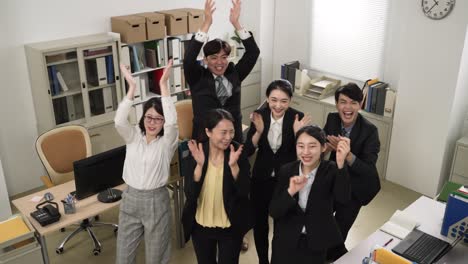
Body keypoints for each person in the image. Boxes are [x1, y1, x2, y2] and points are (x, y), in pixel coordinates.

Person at [114, 60, 178, 264]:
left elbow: (173, 123)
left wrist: (164, 86)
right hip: (130, 199)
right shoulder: (133, 136)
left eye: (158, 119)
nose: (152, 123)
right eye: (149, 117)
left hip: (156, 201)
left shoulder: (167, 142)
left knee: (155, 258)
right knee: (123, 257)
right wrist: (132, 88)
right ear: (142, 119)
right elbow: (119, 121)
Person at [243, 79, 311, 264]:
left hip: (285, 181)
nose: (278, 105)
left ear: (290, 101)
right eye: (273, 100)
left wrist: (299, 134)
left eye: (284, 101)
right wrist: (258, 132)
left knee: (282, 224)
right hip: (261, 178)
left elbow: (305, 157)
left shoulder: (297, 118)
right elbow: (248, 151)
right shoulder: (259, 115)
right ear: (267, 98)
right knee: (260, 224)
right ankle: (263, 261)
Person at [269, 125, 351, 264]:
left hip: (315, 243)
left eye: (312, 146)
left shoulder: (331, 170)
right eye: (301, 146)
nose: (305, 152)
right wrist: (290, 192)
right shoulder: (286, 170)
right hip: (285, 241)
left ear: (323, 147)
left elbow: (343, 199)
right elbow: (274, 211)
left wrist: (341, 163)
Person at [183, 0, 260, 143]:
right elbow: (188, 60)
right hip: (205, 139)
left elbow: (253, 52)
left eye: (224, 57)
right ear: (205, 60)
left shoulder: (234, 74)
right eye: (214, 58)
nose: (220, 62)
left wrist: (236, 23)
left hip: (232, 138)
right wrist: (206, 23)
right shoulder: (197, 77)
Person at [181, 109, 252, 264]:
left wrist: (234, 167)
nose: (228, 138)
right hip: (201, 227)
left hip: (230, 227)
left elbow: (244, 192)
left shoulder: (237, 152)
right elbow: (190, 195)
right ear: (208, 132)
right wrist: (199, 166)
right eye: (223, 132)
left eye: (231, 132)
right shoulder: (197, 153)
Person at [323, 83, 381, 261]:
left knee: (340, 230)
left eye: (353, 102)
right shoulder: (332, 119)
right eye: (343, 102)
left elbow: (368, 170)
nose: (347, 108)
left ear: (360, 104)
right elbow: (323, 148)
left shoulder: (370, 131)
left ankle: (335, 255)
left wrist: (347, 155)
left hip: (357, 188)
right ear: (336, 104)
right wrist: (324, 148)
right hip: (335, 180)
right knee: (320, 217)